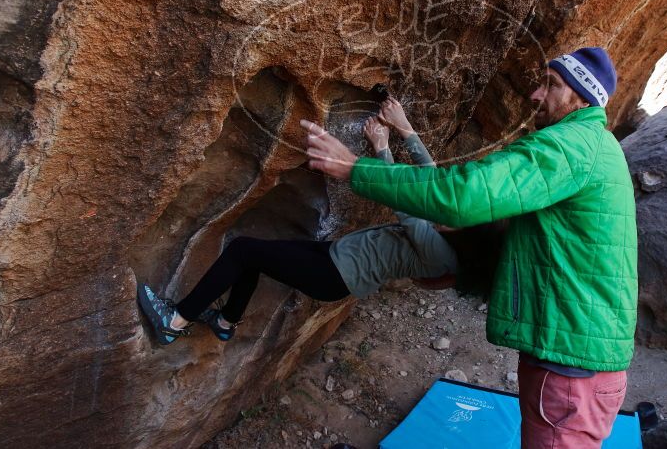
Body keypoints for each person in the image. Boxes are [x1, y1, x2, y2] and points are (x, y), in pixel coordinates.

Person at [301, 47, 638, 449]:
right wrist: (405, 134)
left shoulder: (571, 146)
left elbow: (463, 195)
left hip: (568, 369)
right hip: (583, 360)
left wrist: (357, 168)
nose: (535, 95)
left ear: (582, 98)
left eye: (551, 85)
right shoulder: (601, 146)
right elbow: (455, 203)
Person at [137, 97, 460, 346]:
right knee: (254, 257)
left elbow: (402, 199)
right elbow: (437, 185)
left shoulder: (442, 255)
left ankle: (175, 321)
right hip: (337, 257)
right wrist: (405, 128)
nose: (447, 218)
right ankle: (225, 322)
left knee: (242, 251)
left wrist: (382, 147)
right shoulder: (458, 238)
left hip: (333, 275)